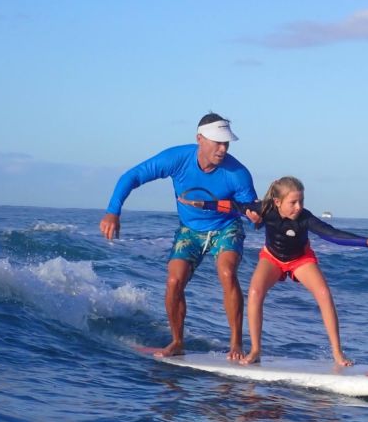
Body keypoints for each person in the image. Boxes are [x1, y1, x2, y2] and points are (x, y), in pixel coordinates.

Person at [178, 176, 368, 366]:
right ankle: (255, 350)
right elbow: (231, 206)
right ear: (277, 202)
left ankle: (337, 353)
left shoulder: (305, 217)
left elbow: (331, 234)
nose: (298, 206)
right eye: (293, 202)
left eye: (301, 201)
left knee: (324, 294)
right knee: (255, 292)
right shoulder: (264, 209)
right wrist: (198, 203)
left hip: (300, 259)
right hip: (272, 258)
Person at [99, 113, 258, 360]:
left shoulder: (237, 173)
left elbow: (250, 211)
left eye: (226, 143)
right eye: (217, 142)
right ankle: (177, 342)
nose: (222, 148)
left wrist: (255, 217)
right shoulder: (177, 158)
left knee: (226, 272)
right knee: (174, 281)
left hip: (226, 227)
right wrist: (112, 212)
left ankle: (236, 343)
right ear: (199, 139)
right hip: (190, 229)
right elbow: (132, 176)